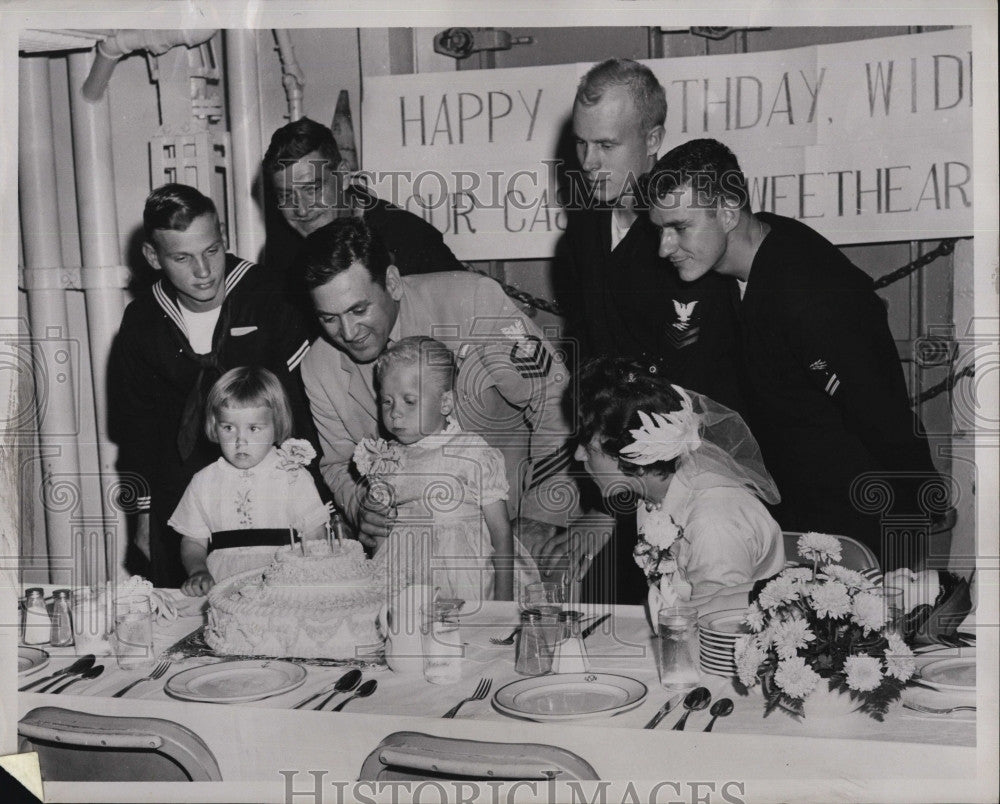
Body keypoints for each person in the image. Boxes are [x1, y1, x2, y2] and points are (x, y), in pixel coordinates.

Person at [642, 138, 944, 568]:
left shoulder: (808, 292)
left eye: (680, 227)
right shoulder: (743, 257)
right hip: (802, 513)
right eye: (660, 229)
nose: (664, 247)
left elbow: (881, 415)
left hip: (861, 525)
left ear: (728, 212)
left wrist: (922, 508)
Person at [298, 217, 578, 555]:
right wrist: (360, 507)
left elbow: (556, 401)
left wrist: (542, 514)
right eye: (328, 318)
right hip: (410, 554)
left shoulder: (472, 302)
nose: (348, 332)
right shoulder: (318, 367)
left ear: (392, 283)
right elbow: (337, 462)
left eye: (359, 309)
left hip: (512, 528)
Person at [109, 184, 314, 587]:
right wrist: (144, 520)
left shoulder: (270, 296)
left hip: (272, 494)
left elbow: (306, 409)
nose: (203, 271)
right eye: (182, 258)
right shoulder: (142, 322)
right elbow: (137, 434)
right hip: (182, 500)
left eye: (212, 251)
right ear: (153, 257)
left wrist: (321, 500)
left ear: (224, 239)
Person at [556, 59, 742, 411]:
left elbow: (697, 376)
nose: (588, 162)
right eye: (582, 143)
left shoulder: (688, 233)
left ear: (653, 139)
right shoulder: (585, 227)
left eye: (606, 145)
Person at [563, 356, 784, 608]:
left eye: (589, 449)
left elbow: (720, 627)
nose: (578, 455)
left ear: (635, 458)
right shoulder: (653, 495)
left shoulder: (712, 525)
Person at [356, 337, 540, 601]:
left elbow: (501, 533)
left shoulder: (470, 451)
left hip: (465, 577)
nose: (395, 413)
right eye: (387, 402)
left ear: (445, 403)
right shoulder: (386, 459)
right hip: (405, 582)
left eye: (409, 401)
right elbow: (383, 534)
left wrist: (503, 599)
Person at [262, 116, 465, 309]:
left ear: (343, 176)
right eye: (286, 196)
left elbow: (465, 310)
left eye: (312, 189)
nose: (302, 209)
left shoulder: (408, 237)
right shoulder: (281, 252)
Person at [169, 367, 329, 596]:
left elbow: (315, 537)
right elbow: (193, 541)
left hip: (284, 587)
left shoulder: (292, 475)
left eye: (254, 428)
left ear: (276, 427)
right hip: (225, 589)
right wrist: (198, 570)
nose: (240, 441)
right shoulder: (204, 482)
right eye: (228, 428)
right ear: (214, 426)